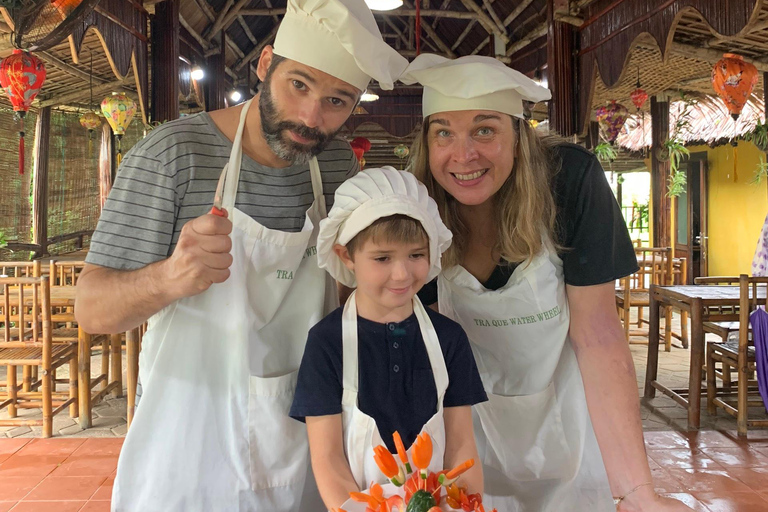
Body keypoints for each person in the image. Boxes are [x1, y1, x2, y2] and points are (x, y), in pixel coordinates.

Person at [74, 0, 407, 510]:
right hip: (191, 437)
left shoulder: (337, 163)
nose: (311, 117)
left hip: (308, 433)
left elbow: (347, 291)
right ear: (265, 63)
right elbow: (92, 310)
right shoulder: (173, 154)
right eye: (299, 85)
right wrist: (169, 277)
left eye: (338, 101)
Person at [401, 54, 696, 512]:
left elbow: (597, 334)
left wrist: (638, 493)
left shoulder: (569, 180)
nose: (464, 155)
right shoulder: (413, 207)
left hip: (571, 429)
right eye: (444, 132)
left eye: (485, 129)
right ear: (427, 143)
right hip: (464, 439)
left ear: (518, 136)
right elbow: (417, 351)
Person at [288, 167, 487, 509]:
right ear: (346, 256)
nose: (402, 273)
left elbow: (461, 446)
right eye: (382, 258)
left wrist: (464, 504)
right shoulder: (326, 343)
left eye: (416, 255)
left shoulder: (448, 338)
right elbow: (329, 460)